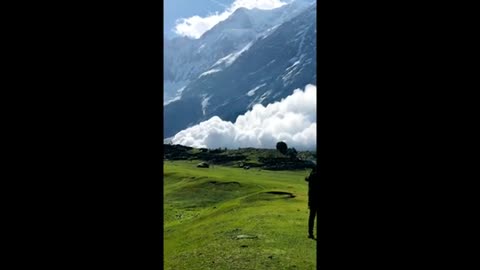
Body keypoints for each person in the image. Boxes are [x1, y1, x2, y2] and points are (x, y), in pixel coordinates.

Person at [305, 164, 318, 239]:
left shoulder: (312, 176)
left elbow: (307, 178)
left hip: (313, 200)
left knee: (312, 217)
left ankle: (310, 233)